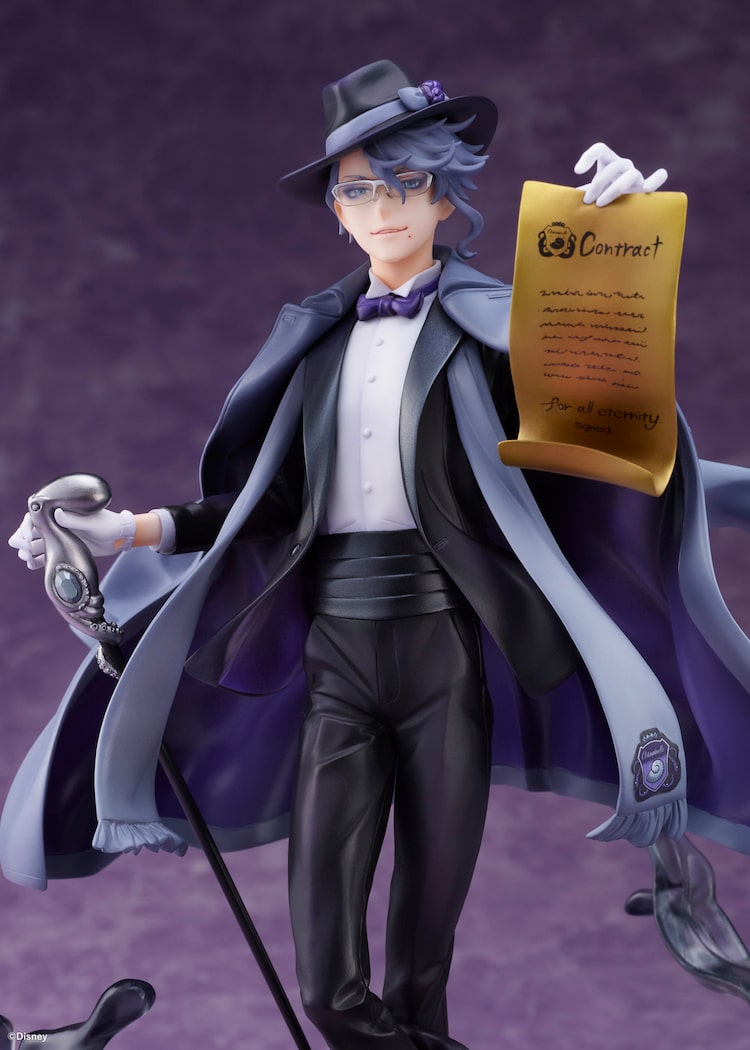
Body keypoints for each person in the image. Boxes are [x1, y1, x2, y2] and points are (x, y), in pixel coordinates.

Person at [6, 60, 750, 1050]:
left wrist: (613, 245)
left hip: (447, 653)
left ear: (443, 198)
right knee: (328, 987)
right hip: (337, 660)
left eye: (407, 182)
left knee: (422, 971)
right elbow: (258, 509)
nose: (385, 205)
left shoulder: (492, 331)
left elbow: (601, 419)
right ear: (336, 212)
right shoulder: (315, 345)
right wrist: (128, 531)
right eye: (360, 188)